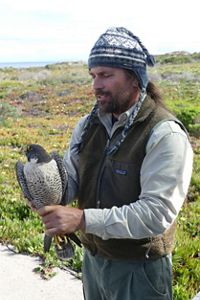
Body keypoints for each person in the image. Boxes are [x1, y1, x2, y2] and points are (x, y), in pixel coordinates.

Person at [37, 27, 193, 300]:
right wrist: (46, 193)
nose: (96, 85)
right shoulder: (87, 126)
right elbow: (72, 179)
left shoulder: (164, 134)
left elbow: (156, 215)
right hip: (94, 262)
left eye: (106, 75)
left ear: (134, 78)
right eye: (93, 76)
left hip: (140, 270)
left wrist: (82, 219)